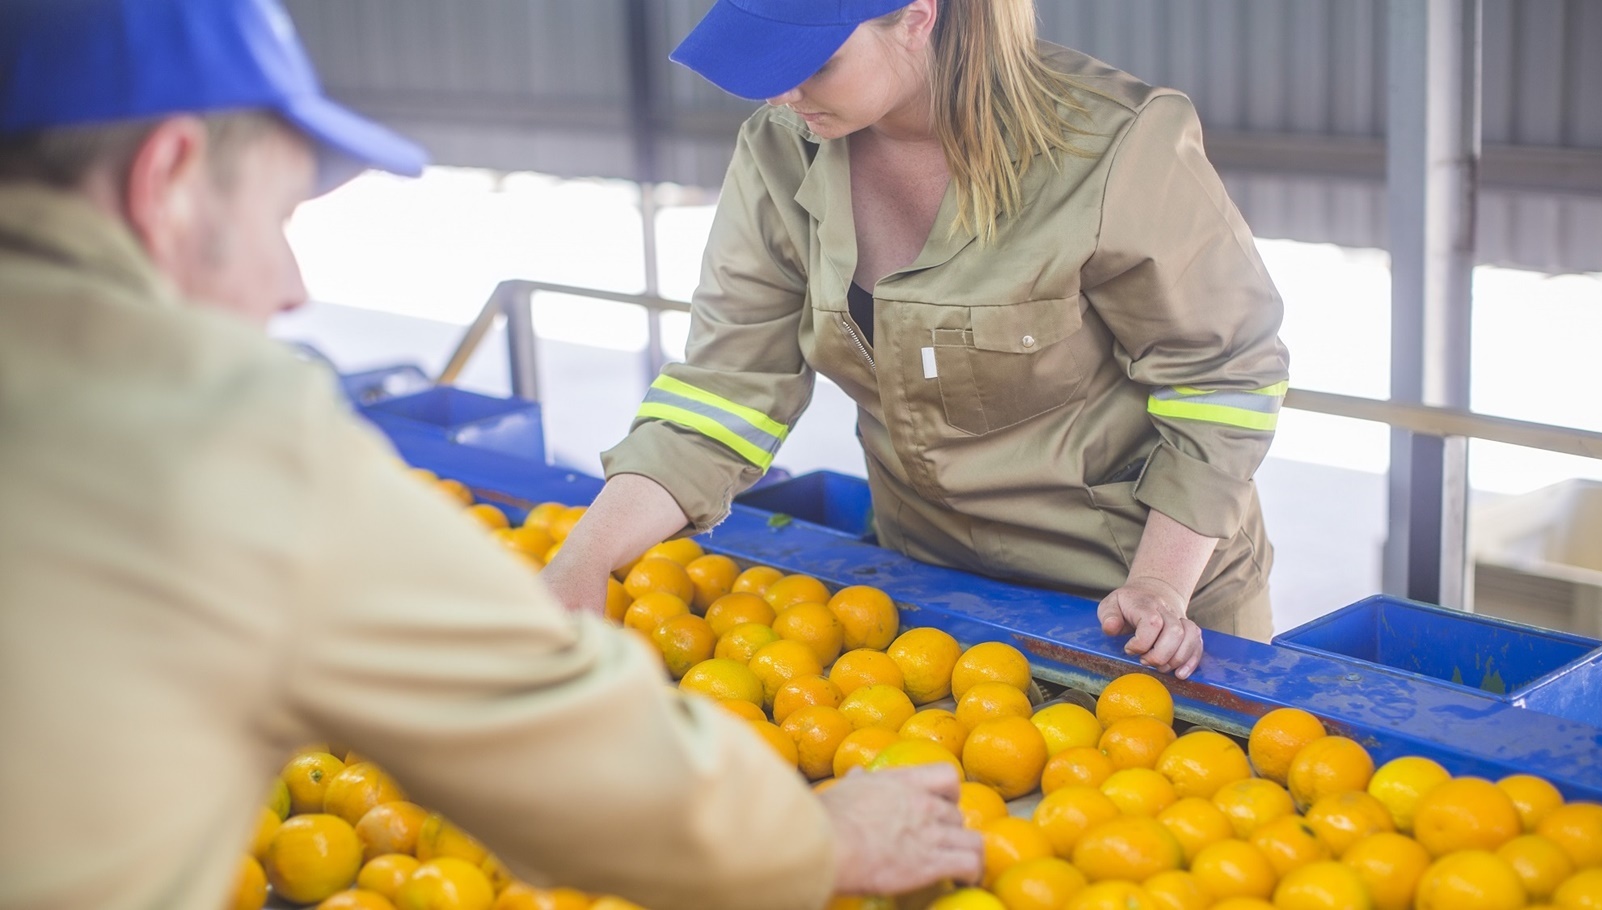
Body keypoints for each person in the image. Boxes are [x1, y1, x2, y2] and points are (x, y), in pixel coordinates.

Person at [0, 2, 980, 909]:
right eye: (274, 218)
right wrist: (813, 833)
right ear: (164, 177)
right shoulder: (197, 431)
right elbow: (541, 734)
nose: (292, 286)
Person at [544, 0, 1290, 679]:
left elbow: (1224, 378)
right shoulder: (781, 151)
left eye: (815, 63)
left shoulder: (1110, 147)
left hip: (1138, 602)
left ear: (916, 18)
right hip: (931, 594)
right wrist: (583, 558)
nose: (782, 93)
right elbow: (724, 388)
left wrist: (1159, 583)